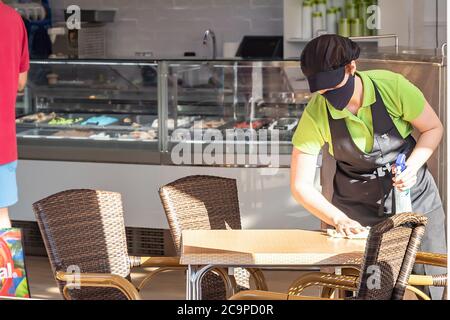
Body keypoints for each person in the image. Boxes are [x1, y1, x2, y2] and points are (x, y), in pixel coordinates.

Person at [291, 35, 446, 299]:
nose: (331, 98)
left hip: (416, 203)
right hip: (358, 216)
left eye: (335, 88)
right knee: (369, 289)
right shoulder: (317, 111)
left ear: (352, 67)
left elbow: (433, 128)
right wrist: (339, 219)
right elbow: (300, 185)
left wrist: (411, 166)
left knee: (427, 282)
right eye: (324, 92)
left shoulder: (392, 88)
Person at [0, 1, 29, 228]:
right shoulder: (13, 19)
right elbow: (21, 82)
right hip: (3, 143)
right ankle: (5, 265)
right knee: (1, 217)